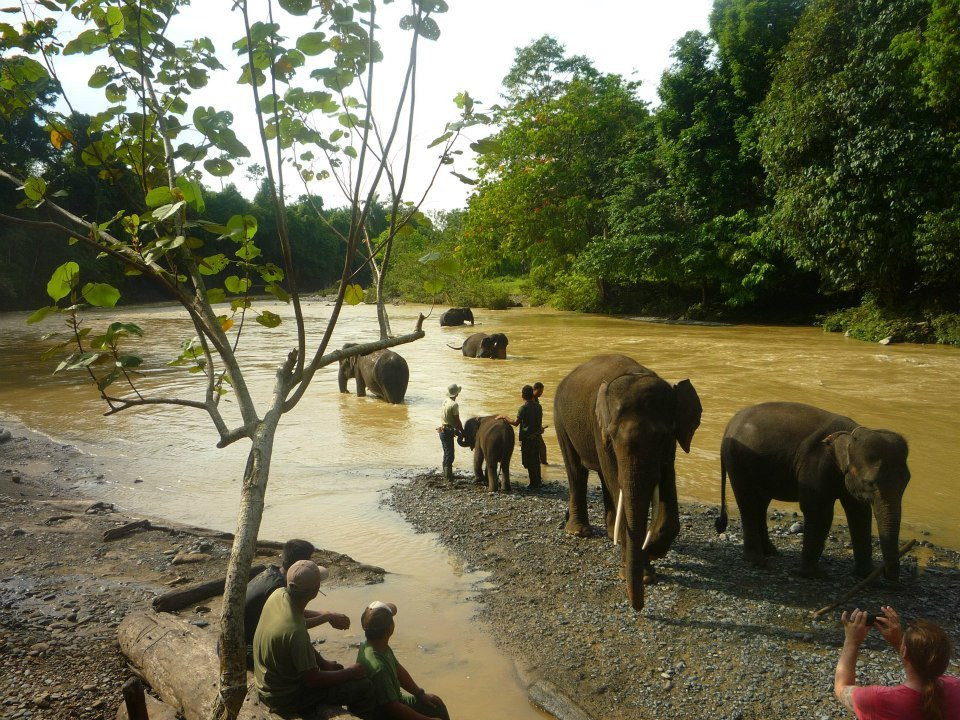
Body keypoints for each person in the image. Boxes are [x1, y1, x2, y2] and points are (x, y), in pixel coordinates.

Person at [253, 560, 375, 718]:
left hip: (266, 682)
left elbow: (299, 619)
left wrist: (323, 663)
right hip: (283, 697)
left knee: (335, 670)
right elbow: (313, 680)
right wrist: (350, 672)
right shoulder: (296, 633)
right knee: (364, 686)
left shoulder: (279, 595)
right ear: (316, 590)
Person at [835, 606, 960, 719]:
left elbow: (841, 688)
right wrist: (898, 641)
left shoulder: (876, 700)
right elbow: (920, 662)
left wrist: (851, 642)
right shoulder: (956, 687)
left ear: (904, 651)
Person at [243, 538, 351, 668]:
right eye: (310, 559)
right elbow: (294, 625)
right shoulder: (279, 589)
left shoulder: (273, 572)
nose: (312, 562)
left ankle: (322, 664)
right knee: (297, 644)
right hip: (244, 649)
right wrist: (327, 617)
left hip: (248, 637)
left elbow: (294, 612)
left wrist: (329, 615)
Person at [356, 601, 450, 720]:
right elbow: (393, 708)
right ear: (390, 628)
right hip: (380, 712)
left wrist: (420, 694)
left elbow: (399, 671)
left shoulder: (372, 644)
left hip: (393, 701)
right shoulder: (379, 669)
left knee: (435, 703)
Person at [498, 385, 543, 489]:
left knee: (528, 461)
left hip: (527, 439)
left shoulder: (523, 408)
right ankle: (538, 481)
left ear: (523, 396)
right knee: (536, 459)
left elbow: (515, 423)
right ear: (532, 395)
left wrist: (505, 417)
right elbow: (538, 422)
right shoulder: (538, 406)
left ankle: (534, 484)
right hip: (536, 438)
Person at [438, 383, 464, 482]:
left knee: (446, 452)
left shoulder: (445, 401)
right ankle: (448, 477)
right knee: (450, 454)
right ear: (456, 394)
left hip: (442, 429)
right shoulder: (454, 405)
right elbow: (457, 421)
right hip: (448, 430)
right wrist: (462, 431)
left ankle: (446, 473)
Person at [532, 381, 548, 465]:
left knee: (541, 447)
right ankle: (544, 463)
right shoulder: (532, 401)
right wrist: (539, 428)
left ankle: (543, 465)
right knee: (542, 447)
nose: (541, 393)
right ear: (534, 389)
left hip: (536, 428)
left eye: (542, 391)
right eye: (539, 391)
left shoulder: (535, 399)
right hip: (533, 429)